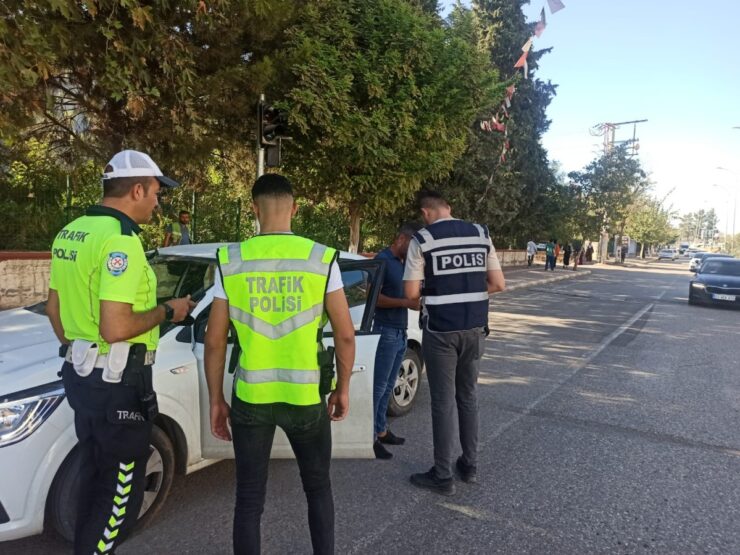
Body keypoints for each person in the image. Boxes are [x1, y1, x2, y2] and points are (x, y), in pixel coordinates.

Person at [45, 150, 195, 554]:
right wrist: (169, 310)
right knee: (119, 500)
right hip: (120, 385)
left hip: (83, 380)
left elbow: (55, 310)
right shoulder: (120, 242)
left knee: (94, 479)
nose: (157, 202)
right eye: (156, 193)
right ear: (138, 189)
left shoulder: (71, 232)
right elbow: (115, 328)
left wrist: (81, 352)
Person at [204, 174, 356, 555]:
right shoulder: (320, 259)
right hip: (305, 398)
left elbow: (215, 340)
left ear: (254, 210)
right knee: (318, 488)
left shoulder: (232, 260)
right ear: (295, 208)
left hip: (251, 399)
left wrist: (216, 400)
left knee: (249, 499)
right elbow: (345, 335)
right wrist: (343, 388)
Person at [403, 190, 505, 495]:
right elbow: (498, 283)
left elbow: (411, 294)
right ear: (449, 207)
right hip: (475, 329)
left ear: (425, 213)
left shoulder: (422, 240)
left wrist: (439, 295)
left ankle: (443, 475)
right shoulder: (480, 234)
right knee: (468, 397)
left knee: (443, 402)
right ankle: (469, 466)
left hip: (441, 332)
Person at [371, 222, 422, 460]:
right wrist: (405, 303)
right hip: (385, 331)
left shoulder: (404, 263)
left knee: (389, 385)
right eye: (412, 245)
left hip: (401, 332)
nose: (414, 251)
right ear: (401, 239)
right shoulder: (382, 260)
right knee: (379, 387)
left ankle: (381, 430)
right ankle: (370, 438)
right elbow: (373, 297)